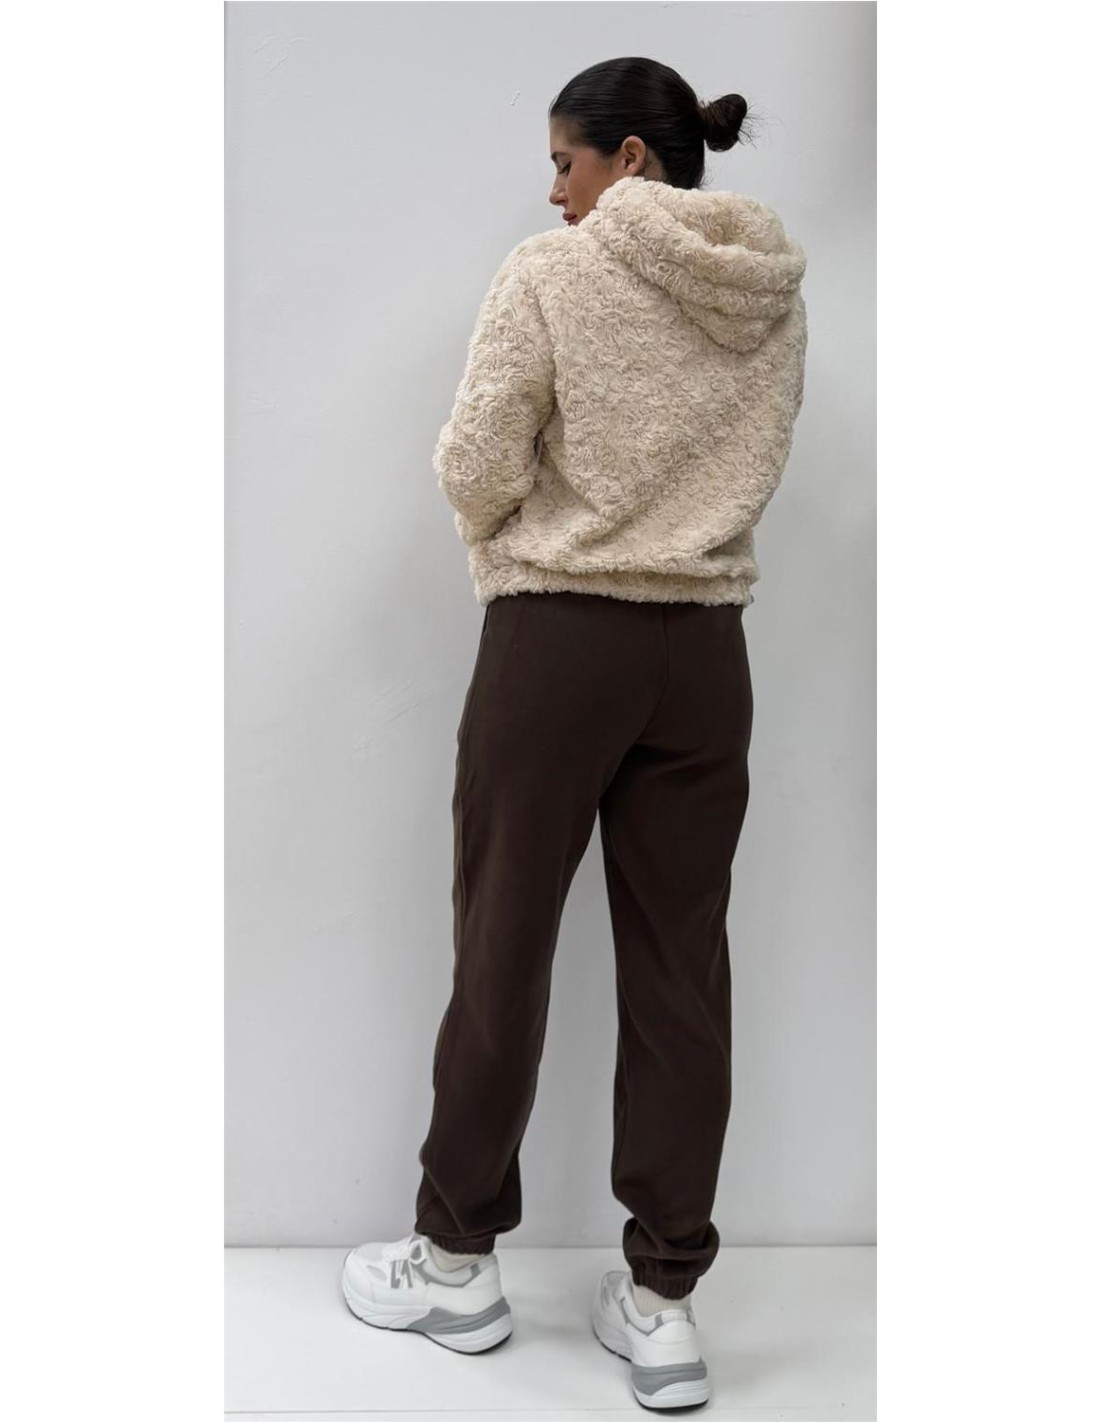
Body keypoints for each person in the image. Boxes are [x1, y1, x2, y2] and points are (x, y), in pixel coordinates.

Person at [341, 55, 808, 1411]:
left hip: (560, 643)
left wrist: (523, 528)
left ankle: (454, 1260)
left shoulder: (552, 274)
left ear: (631, 160)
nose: (554, 192)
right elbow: (759, 459)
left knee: (503, 942)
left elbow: (477, 460)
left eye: (566, 162)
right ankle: (663, 1304)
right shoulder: (768, 288)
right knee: (681, 973)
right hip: (704, 654)